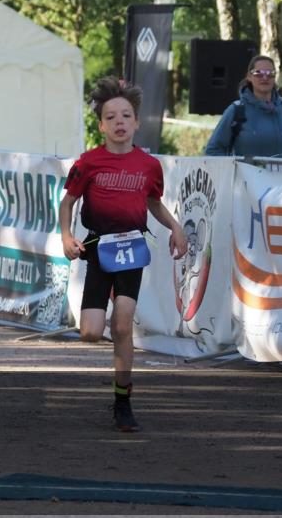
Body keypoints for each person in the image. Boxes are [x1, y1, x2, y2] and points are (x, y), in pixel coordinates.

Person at [58, 77, 187, 432]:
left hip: (132, 248)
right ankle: (107, 333)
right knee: (90, 332)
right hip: (99, 249)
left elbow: (153, 203)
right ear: (100, 125)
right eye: (111, 117)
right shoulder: (88, 163)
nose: (119, 122)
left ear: (136, 122)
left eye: (125, 115)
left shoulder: (148, 166)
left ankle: (123, 401)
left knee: (122, 325)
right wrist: (67, 237)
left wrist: (175, 228)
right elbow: (67, 203)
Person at [204, 54, 282, 158]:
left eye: (270, 74)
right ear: (249, 77)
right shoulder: (236, 110)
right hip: (243, 174)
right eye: (258, 73)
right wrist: (234, 169)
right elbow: (213, 150)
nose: (265, 77)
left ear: (275, 77)